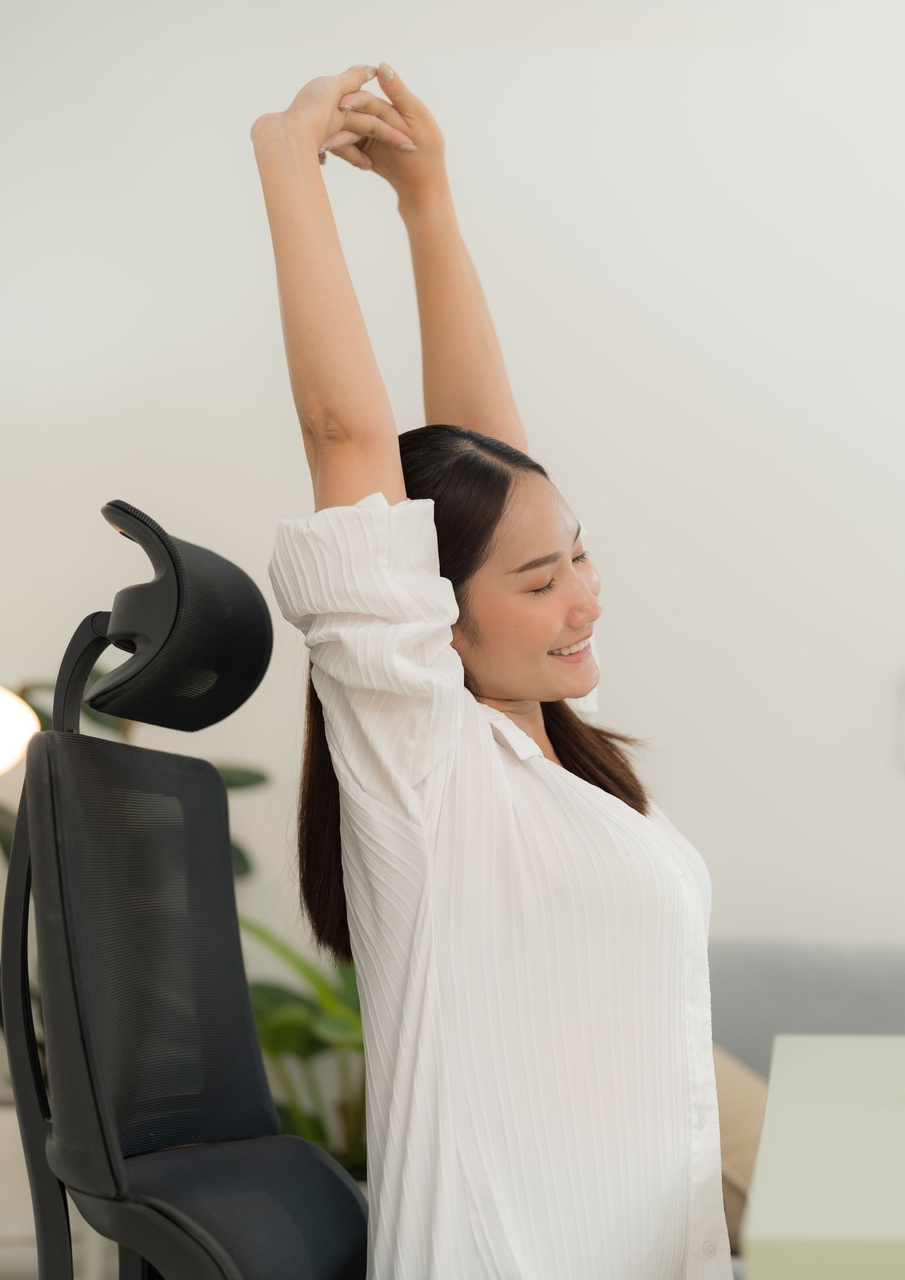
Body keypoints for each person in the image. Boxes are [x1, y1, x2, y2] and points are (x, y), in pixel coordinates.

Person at [253, 63, 734, 1280]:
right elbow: (349, 439)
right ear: (434, 621)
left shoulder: (540, 756)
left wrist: (429, 205)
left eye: (580, 554)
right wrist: (285, 162)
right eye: (538, 582)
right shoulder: (426, 764)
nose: (584, 594)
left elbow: (493, 474)